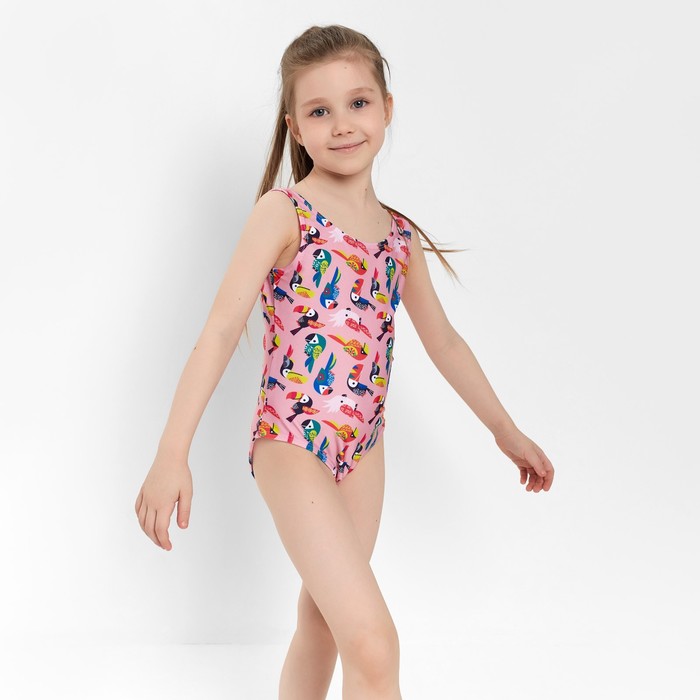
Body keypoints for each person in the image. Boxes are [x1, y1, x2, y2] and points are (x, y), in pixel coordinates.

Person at [134, 23, 555, 700]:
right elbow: (219, 331)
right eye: (319, 111)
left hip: (364, 446)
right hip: (292, 438)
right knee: (374, 642)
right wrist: (170, 453)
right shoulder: (285, 212)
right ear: (295, 129)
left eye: (358, 103)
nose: (342, 124)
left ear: (387, 108)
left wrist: (506, 431)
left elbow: (445, 343)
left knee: (324, 625)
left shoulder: (399, 237)